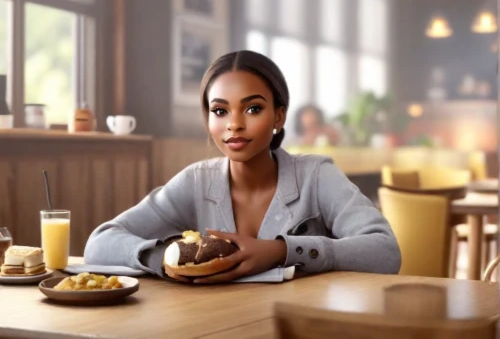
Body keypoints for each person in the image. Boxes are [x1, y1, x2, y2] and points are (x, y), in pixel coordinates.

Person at [84, 50, 401, 284]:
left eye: (252, 108)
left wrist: (281, 251)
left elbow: (386, 251)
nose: (234, 124)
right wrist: (162, 259)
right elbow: (99, 245)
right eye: (219, 111)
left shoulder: (317, 176)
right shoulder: (196, 182)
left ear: (278, 116)